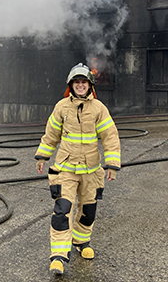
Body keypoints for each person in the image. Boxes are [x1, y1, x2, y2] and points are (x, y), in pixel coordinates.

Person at [35, 63, 121, 275]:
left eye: (83, 82)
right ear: (70, 85)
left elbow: (110, 137)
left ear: (89, 85)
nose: (80, 85)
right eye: (76, 82)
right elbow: (51, 134)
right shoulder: (62, 107)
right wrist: (42, 156)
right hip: (65, 168)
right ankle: (58, 256)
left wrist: (112, 164)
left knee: (88, 210)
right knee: (62, 210)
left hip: (91, 171)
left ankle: (81, 242)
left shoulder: (99, 109)